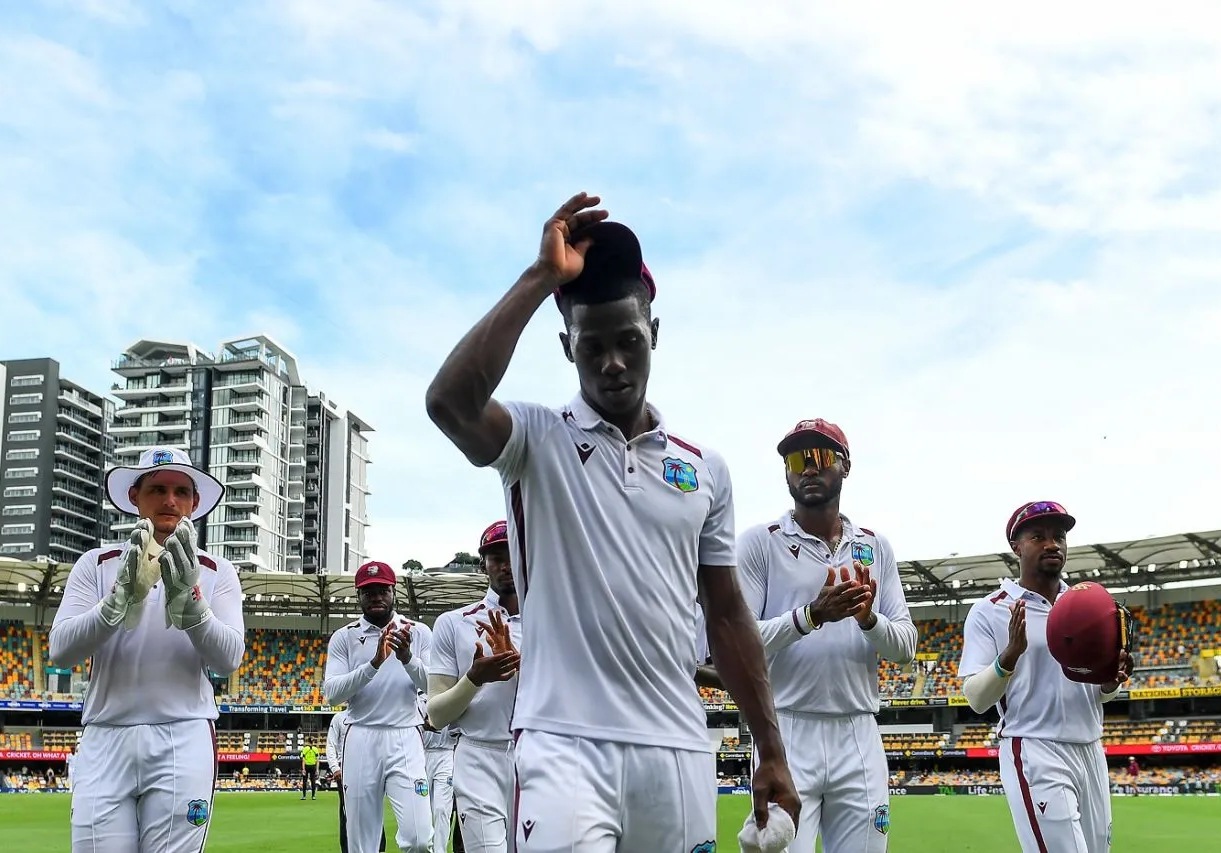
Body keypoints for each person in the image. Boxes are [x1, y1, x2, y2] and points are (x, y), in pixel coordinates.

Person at [425, 192, 799, 852]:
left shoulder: (703, 467)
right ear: (567, 345)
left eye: (629, 341)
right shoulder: (535, 439)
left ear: (654, 332)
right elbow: (449, 402)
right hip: (562, 745)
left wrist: (771, 747)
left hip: (678, 749)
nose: (613, 362)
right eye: (592, 346)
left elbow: (727, 613)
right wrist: (541, 279)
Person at [726, 419, 917, 852]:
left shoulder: (875, 547)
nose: (808, 468)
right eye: (796, 460)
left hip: (859, 731)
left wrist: (869, 620)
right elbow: (739, 640)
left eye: (820, 457)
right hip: (788, 728)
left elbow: (905, 647)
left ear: (845, 466)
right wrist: (811, 615)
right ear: (786, 473)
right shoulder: (761, 543)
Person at [49, 446, 245, 853]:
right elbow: (60, 652)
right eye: (157, 489)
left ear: (194, 503)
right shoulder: (97, 564)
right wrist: (116, 602)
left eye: (180, 491)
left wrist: (192, 609)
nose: (169, 500)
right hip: (106, 734)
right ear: (135, 497)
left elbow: (228, 659)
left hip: (183, 733)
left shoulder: (216, 572)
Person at [958, 501, 1133, 853]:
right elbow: (976, 699)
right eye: (1038, 536)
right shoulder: (990, 610)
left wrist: (1110, 682)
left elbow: (1095, 693)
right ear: (1016, 547)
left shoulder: (1091, 604)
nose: (1052, 544)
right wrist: (1008, 657)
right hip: (1035, 748)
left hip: (1090, 747)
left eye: (1059, 536)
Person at [323, 561, 434, 853]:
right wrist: (373, 664)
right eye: (368, 592)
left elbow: (435, 686)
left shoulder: (418, 632)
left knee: (420, 838)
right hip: (360, 736)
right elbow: (332, 695)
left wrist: (407, 657)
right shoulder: (344, 636)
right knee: (361, 844)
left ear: (393, 592)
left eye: (382, 590)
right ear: (358, 595)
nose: (376, 597)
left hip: (405, 735)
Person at [427, 520, 523, 853]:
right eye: (496, 556)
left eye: (513, 553)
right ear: (483, 564)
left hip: (537, 754)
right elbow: (436, 715)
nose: (506, 564)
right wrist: (475, 678)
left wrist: (521, 664)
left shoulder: (552, 618)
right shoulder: (454, 623)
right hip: (478, 754)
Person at [328, 711, 386, 853]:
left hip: (370, 769)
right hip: (346, 770)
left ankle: (379, 848)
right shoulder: (339, 718)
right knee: (348, 814)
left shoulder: (372, 714)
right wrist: (335, 768)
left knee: (374, 810)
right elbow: (331, 744)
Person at [417, 691, 457, 853]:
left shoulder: (450, 690)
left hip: (446, 754)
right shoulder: (417, 696)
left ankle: (440, 850)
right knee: (421, 808)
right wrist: (423, 725)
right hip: (421, 754)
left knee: (441, 809)